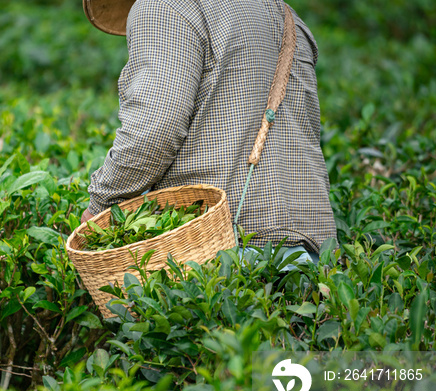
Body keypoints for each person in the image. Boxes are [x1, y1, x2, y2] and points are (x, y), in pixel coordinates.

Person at [80, 0, 337, 264]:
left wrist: (101, 206)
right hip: (315, 253)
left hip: (224, 249)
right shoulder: (288, 16)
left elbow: (154, 129)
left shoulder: (164, 7)